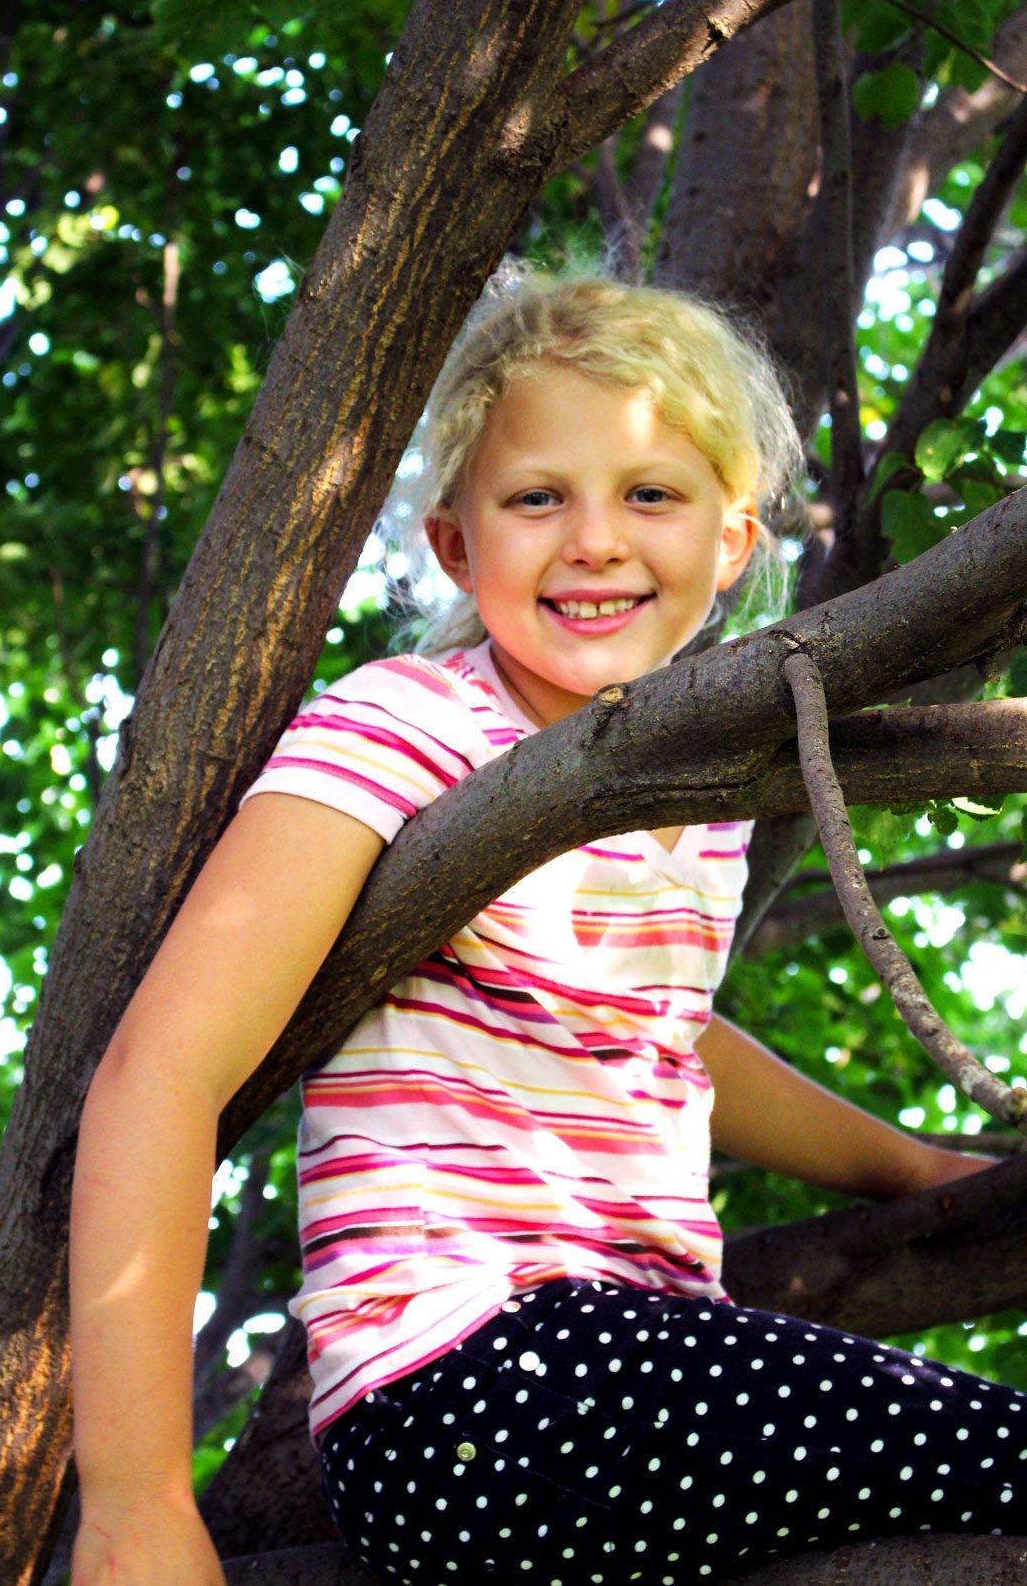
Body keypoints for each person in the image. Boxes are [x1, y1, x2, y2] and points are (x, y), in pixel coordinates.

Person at [69, 275, 1024, 1586]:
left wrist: (912, 1171)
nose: (594, 542)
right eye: (537, 498)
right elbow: (160, 1071)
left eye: (649, 494)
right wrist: (135, 1508)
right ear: (456, 546)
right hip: (479, 1387)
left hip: (623, 1385)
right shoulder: (407, 725)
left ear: (733, 540)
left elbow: (656, 1039)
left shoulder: (696, 807)